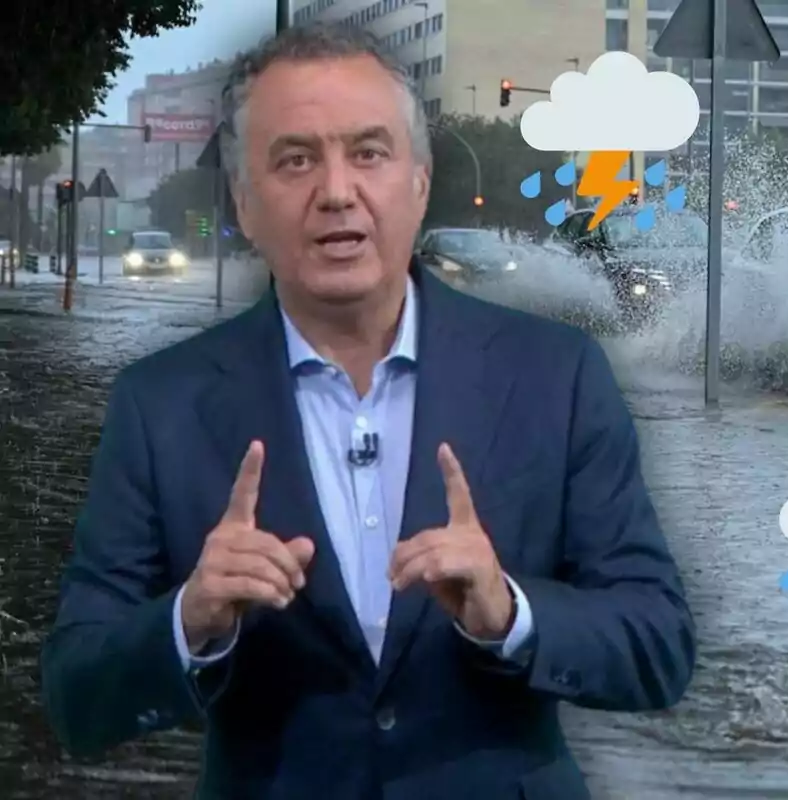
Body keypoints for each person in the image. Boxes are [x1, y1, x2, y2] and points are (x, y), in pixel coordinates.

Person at [40, 23, 695, 800]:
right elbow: (76, 697)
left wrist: (507, 612)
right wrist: (191, 619)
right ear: (246, 204)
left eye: (369, 152)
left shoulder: (558, 376)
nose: (337, 191)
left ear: (418, 183)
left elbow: (658, 647)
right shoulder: (160, 405)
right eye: (296, 159)